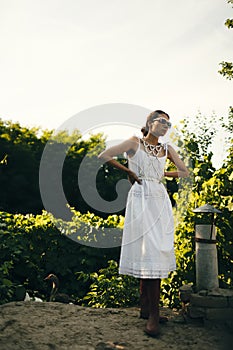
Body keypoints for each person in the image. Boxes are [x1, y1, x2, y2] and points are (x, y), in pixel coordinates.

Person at [98, 110, 189, 337]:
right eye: (161, 121)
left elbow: (184, 172)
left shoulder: (167, 149)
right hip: (139, 198)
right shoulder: (133, 142)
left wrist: (162, 174)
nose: (165, 125)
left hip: (159, 199)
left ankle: (149, 311)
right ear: (149, 123)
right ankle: (151, 314)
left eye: (168, 123)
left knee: (156, 250)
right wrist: (129, 170)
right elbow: (104, 155)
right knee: (145, 249)